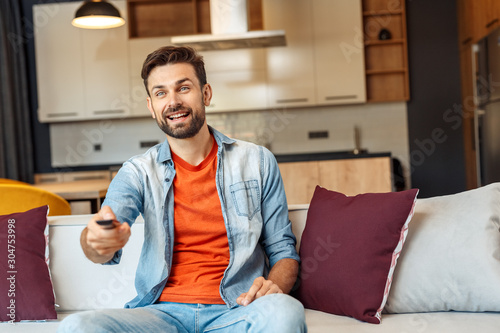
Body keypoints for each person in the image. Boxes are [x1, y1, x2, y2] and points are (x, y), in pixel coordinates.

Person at [57, 46, 306, 333]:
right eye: (161, 93)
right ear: (151, 107)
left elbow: (283, 250)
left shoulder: (258, 162)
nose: (173, 101)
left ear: (206, 94)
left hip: (237, 310)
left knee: (286, 312)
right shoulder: (137, 171)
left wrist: (273, 287)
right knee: (77, 326)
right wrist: (97, 241)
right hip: (161, 315)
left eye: (183, 88)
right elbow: (100, 239)